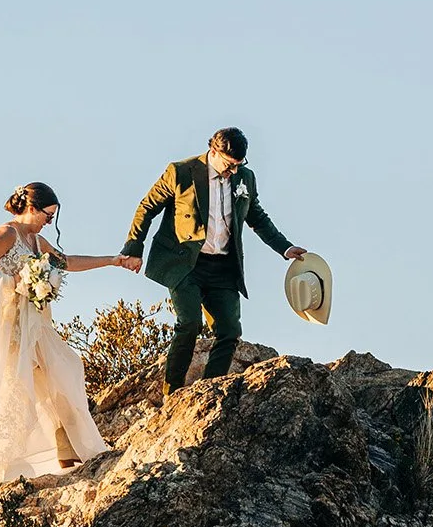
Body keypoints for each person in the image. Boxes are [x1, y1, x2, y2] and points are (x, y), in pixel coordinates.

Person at [0, 181, 122, 496]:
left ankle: (70, 448)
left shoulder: (37, 242)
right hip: (11, 325)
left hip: (37, 324)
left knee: (67, 368)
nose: (49, 221)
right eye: (47, 214)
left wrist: (111, 260)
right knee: (12, 391)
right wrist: (10, 281)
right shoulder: (8, 234)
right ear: (31, 207)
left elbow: (66, 263)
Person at [118, 129, 308, 396]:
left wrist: (285, 248)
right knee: (190, 323)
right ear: (214, 152)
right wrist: (134, 247)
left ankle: (208, 389)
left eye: (239, 165)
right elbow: (147, 207)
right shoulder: (181, 171)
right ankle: (171, 390)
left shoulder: (246, 178)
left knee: (230, 330)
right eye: (229, 164)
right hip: (186, 263)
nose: (233, 170)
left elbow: (258, 218)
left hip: (223, 267)